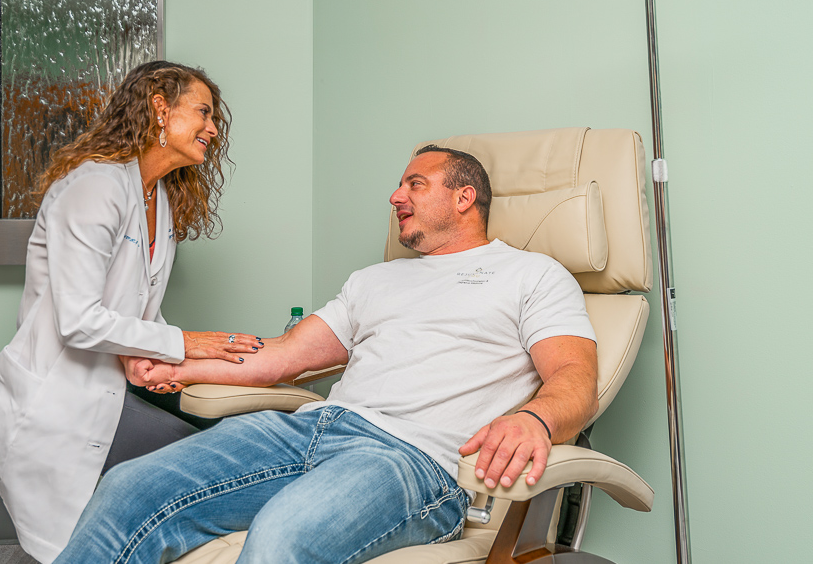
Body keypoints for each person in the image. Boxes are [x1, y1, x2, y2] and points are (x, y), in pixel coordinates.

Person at [55, 146, 600, 564]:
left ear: (464, 198)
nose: (395, 197)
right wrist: (179, 365)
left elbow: (574, 375)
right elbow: (284, 356)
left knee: (283, 534)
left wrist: (534, 418)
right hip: (308, 427)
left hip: (411, 461)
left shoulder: (532, 274)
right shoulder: (375, 280)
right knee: (130, 488)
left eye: (415, 183)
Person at [0, 61, 263, 564]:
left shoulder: (158, 196)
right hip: (55, 402)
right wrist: (184, 343)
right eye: (203, 112)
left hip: (105, 390)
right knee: (195, 469)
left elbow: (139, 303)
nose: (213, 128)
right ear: (159, 109)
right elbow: (79, 319)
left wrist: (150, 357)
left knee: (205, 463)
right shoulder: (96, 186)